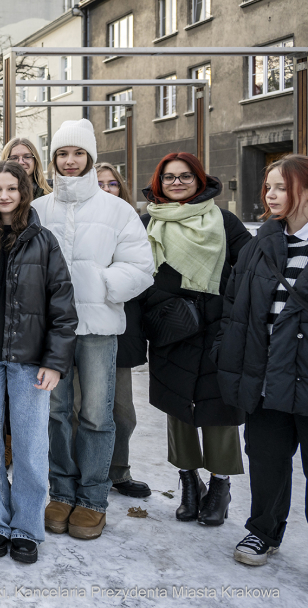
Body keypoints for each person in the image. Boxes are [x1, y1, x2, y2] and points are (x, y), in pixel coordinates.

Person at [33, 119, 154, 540]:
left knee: (97, 415)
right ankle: (61, 492)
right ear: (53, 160)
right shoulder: (39, 208)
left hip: (100, 327)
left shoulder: (116, 209)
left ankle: (92, 498)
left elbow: (141, 266)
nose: (70, 161)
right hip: (51, 332)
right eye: (63, 154)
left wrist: (100, 285)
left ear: (90, 158)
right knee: (55, 412)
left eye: (78, 154)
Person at [0, 160, 77, 564]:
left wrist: (55, 361)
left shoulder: (44, 241)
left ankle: (26, 527)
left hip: (29, 360)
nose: (3, 196)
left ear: (24, 192)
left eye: (11, 189)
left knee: (29, 446)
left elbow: (63, 306)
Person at [140, 153, 250, 525]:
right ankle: (188, 482)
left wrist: (227, 310)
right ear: (159, 183)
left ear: (199, 180)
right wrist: (165, 304)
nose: (177, 183)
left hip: (219, 330)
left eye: (185, 176)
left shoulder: (224, 220)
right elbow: (137, 273)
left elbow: (248, 271)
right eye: (169, 177)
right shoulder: (148, 221)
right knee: (179, 409)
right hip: (172, 329)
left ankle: (220, 485)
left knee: (220, 409)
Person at [217, 155, 308, 565]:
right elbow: (234, 306)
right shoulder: (260, 244)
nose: (271, 195)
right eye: (268, 187)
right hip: (266, 372)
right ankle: (263, 532)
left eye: (282, 187)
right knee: (267, 458)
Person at [93, 162, 152, 500]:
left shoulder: (132, 222)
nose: (105, 189)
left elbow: (143, 273)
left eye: (112, 183)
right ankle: (82, 472)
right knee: (80, 410)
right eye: (98, 183)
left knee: (122, 412)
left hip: (121, 327)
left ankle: (118, 471)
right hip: (81, 328)